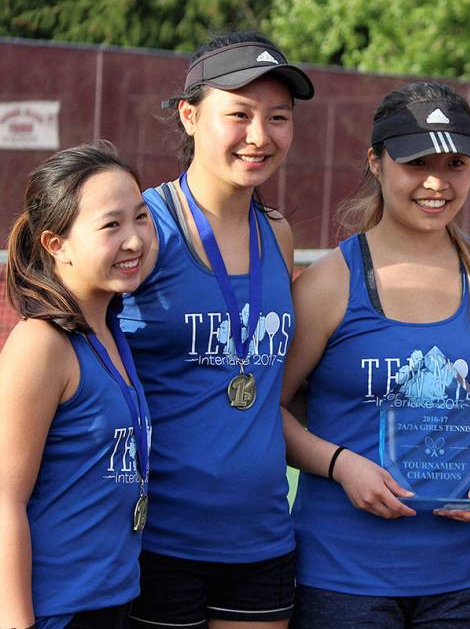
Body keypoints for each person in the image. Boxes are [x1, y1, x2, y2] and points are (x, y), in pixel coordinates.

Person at [281, 81, 470, 627]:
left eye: (455, 164)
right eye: (416, 163)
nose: (437, 182)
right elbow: (267, 411)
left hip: (459, 574)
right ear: (376, 162)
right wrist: (341, 465)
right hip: (342, 573)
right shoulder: (329, 283)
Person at [117, 31, 314, 627]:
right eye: (239, 114)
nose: (260, 136)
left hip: (261, 539)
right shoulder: (144, 229)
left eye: (277, 117)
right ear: (190, 115)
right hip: (155, 540)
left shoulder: (276, 233)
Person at [0, 143, 154, 628]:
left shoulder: (110, 330)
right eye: (111, 226)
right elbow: (4, 502)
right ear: (55, 244)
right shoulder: (41, 344)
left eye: (141, 217)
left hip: (114, 600)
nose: (134, 240)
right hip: (58, 612)